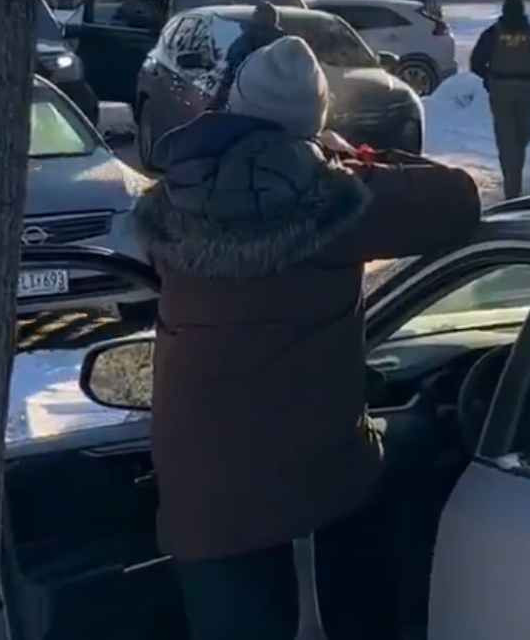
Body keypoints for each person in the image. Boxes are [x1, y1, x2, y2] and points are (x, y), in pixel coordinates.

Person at [138, 35, 481, 640]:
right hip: (308, 485)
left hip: (199, 491)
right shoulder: (333, 200)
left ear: (235, 106)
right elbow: (458, 200)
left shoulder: (176, 194)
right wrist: (358, 159)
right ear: (314, 122)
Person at [470, 0, 530, 199]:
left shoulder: (493, 34)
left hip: (503, 90)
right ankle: (513, 182)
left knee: (508, 138)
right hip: (523, 90)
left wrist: (489, 77)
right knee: (520, 135)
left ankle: (512, 174)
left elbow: (476, 62)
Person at [210, 0, 282, 110]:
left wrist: (216, 105)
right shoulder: (286, 43)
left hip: (248, 99)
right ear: (275, 20)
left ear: (255, 19)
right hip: (280, 101)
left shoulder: (245, 41)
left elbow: (231, 72)